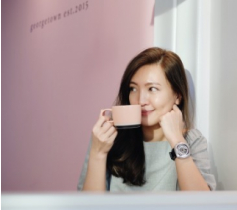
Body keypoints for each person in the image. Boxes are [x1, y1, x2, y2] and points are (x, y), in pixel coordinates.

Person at [77, 47, 216, 191]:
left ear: (177, 96)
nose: (141, 100)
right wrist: (98, 154)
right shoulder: (108, 138)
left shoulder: (191, 141)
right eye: (133, 89)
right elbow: (88, 205)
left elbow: (202, 204)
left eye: (152, 89)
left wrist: (177, 140)